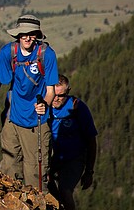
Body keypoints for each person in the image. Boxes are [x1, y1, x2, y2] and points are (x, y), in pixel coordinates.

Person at [0, 14, 59, 190]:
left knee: (35, 174)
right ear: (17, 35)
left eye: (31, 34)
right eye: (23, 33)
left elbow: (50, 91)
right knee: (9, 170)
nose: (27, 37)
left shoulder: (46, 55)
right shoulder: (8, 53)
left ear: (37, 35)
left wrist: (45, 105)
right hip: (12, 117)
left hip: (37, 120)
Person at [47, 74, 98, 210]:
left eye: (61, 95)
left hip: (75, 158)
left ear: (68, 91)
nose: (56, 99)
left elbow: (91, 140)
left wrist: (89, 171)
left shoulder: (78, 108)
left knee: (65, 190)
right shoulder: (46, 105)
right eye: (54, 94)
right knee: (45, 183)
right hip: (56, 157)